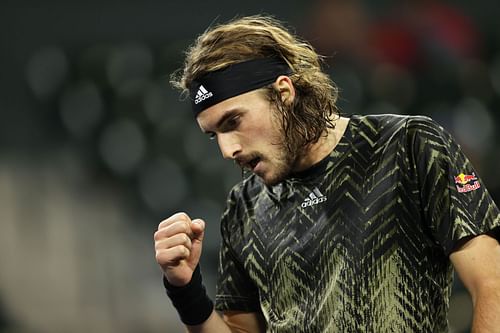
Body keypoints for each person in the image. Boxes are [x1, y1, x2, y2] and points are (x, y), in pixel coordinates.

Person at [154, 15, 500, 332]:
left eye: (234, 121)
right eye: (214, 134)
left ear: (283, 92)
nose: (228, 150)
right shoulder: (243, 206)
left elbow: (492, 283)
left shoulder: (409, 146)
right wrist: (187, 292)